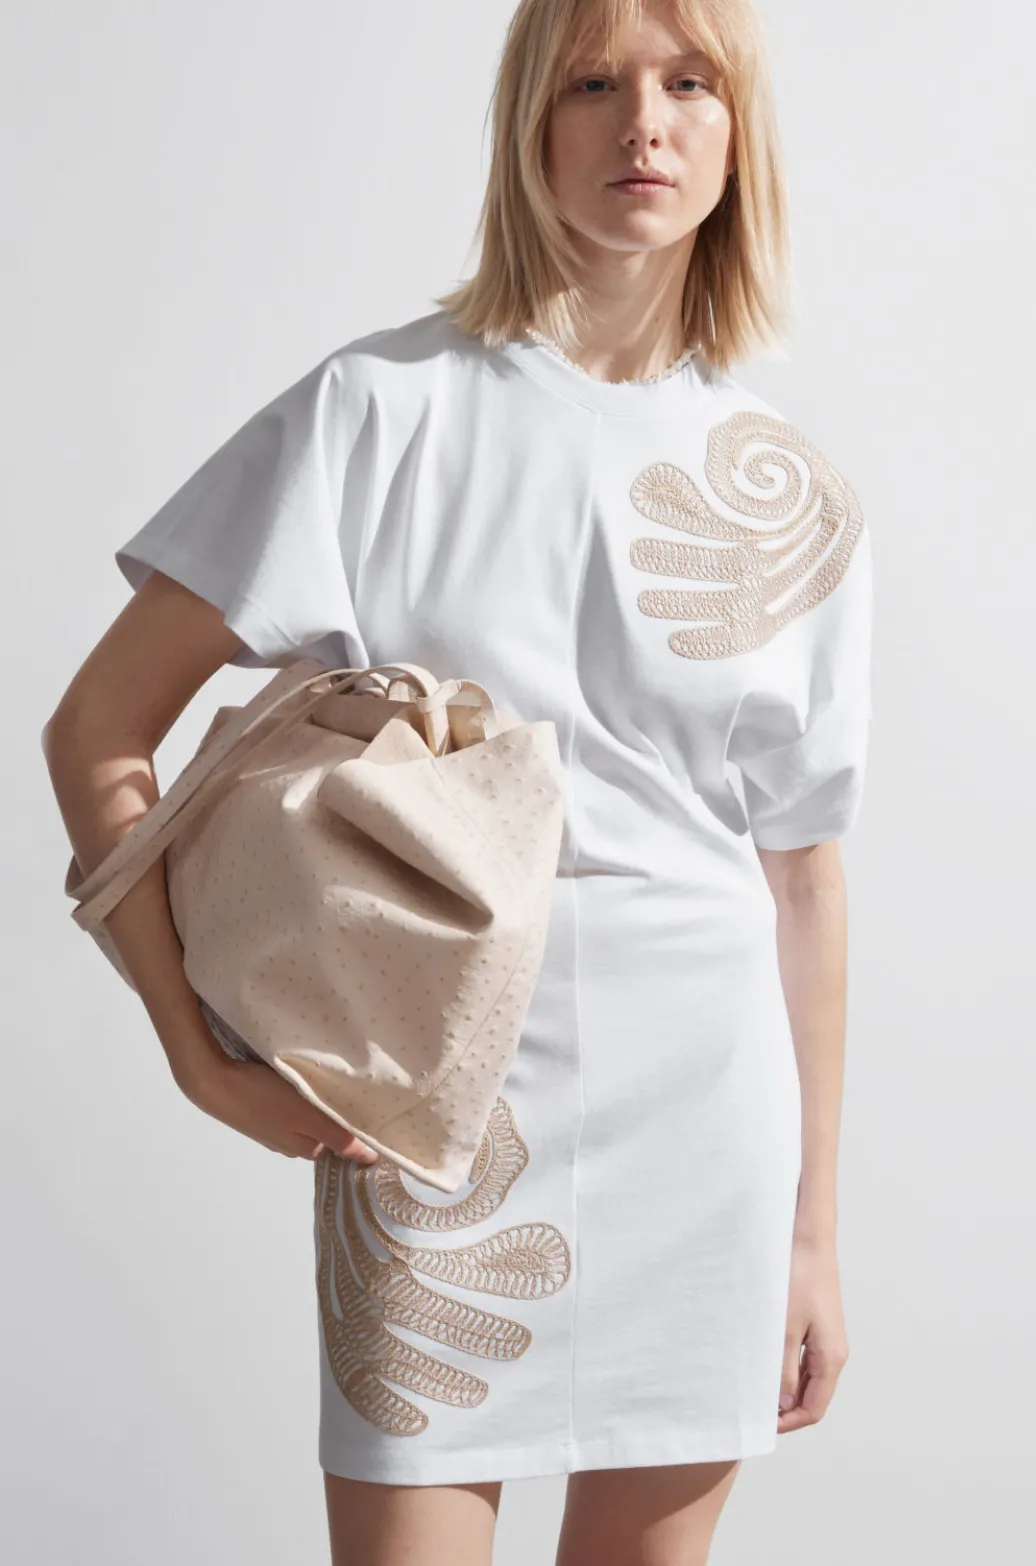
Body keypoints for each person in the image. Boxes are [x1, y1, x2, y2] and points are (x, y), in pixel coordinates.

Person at [42, 0, 874, 1562]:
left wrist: (813, 1232)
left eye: (690, 82)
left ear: (736, 132)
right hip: (432, 1118)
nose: (644, 122)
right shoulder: (379, 409)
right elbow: (96, 729)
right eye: (593, 81)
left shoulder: (792, 496)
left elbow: (806, 874)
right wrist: (196, 1054)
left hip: (707, 1128)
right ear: (528, 124)